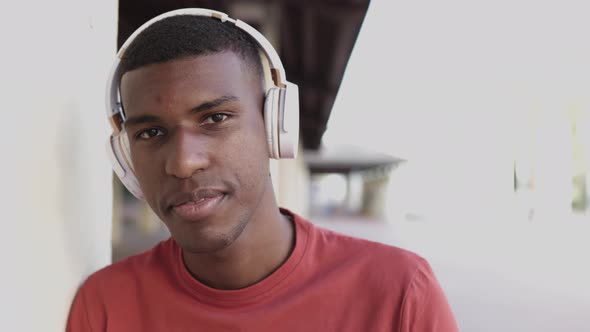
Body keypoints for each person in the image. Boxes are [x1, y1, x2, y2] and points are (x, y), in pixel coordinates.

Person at [67, 8, 458, 332]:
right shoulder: (105, 305)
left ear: (275, 126)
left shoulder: (399, 294)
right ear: (124, 155)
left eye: (215, 118)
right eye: (150, 132)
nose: (184, 162)